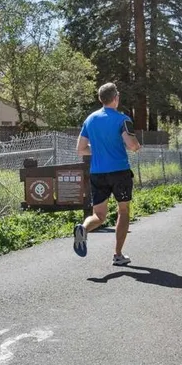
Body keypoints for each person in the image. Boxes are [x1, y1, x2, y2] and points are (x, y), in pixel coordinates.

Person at [73, 83, 141, 265]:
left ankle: (83, 229)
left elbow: (80, 149)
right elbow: (132, 145)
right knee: (123, 211)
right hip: (119, 172)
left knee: (99, 215)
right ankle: (118, 255)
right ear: (116, 98)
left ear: (100, 99)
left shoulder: (90, 120)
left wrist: (99, 151)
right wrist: (137, 146)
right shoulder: (122, 119)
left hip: (97, 173)